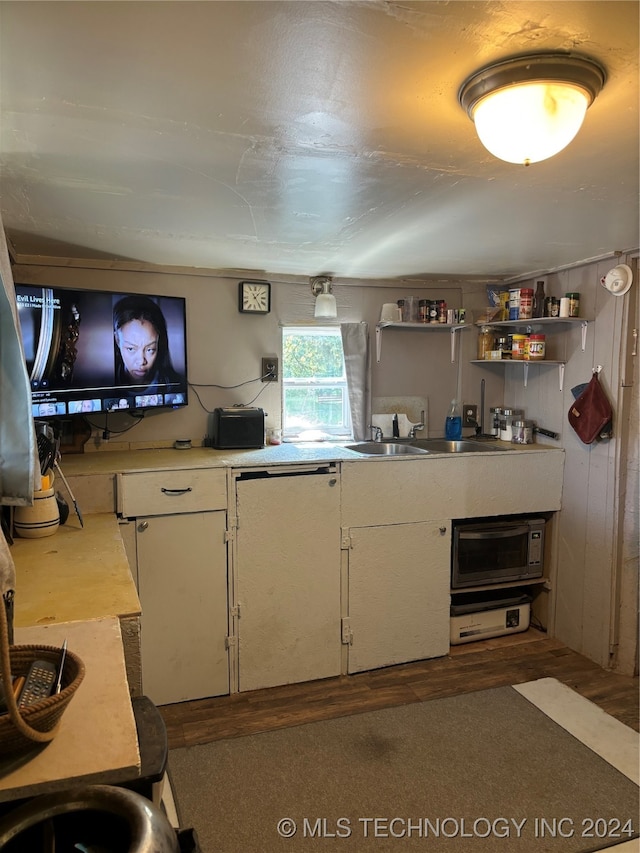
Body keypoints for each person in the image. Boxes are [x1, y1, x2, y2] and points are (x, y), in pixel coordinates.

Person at [113, 295, 183, 394]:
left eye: (150, 349)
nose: (141, 361)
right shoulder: (102, 385)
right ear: (117, 340)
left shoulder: (175, 387)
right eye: (131, 349)